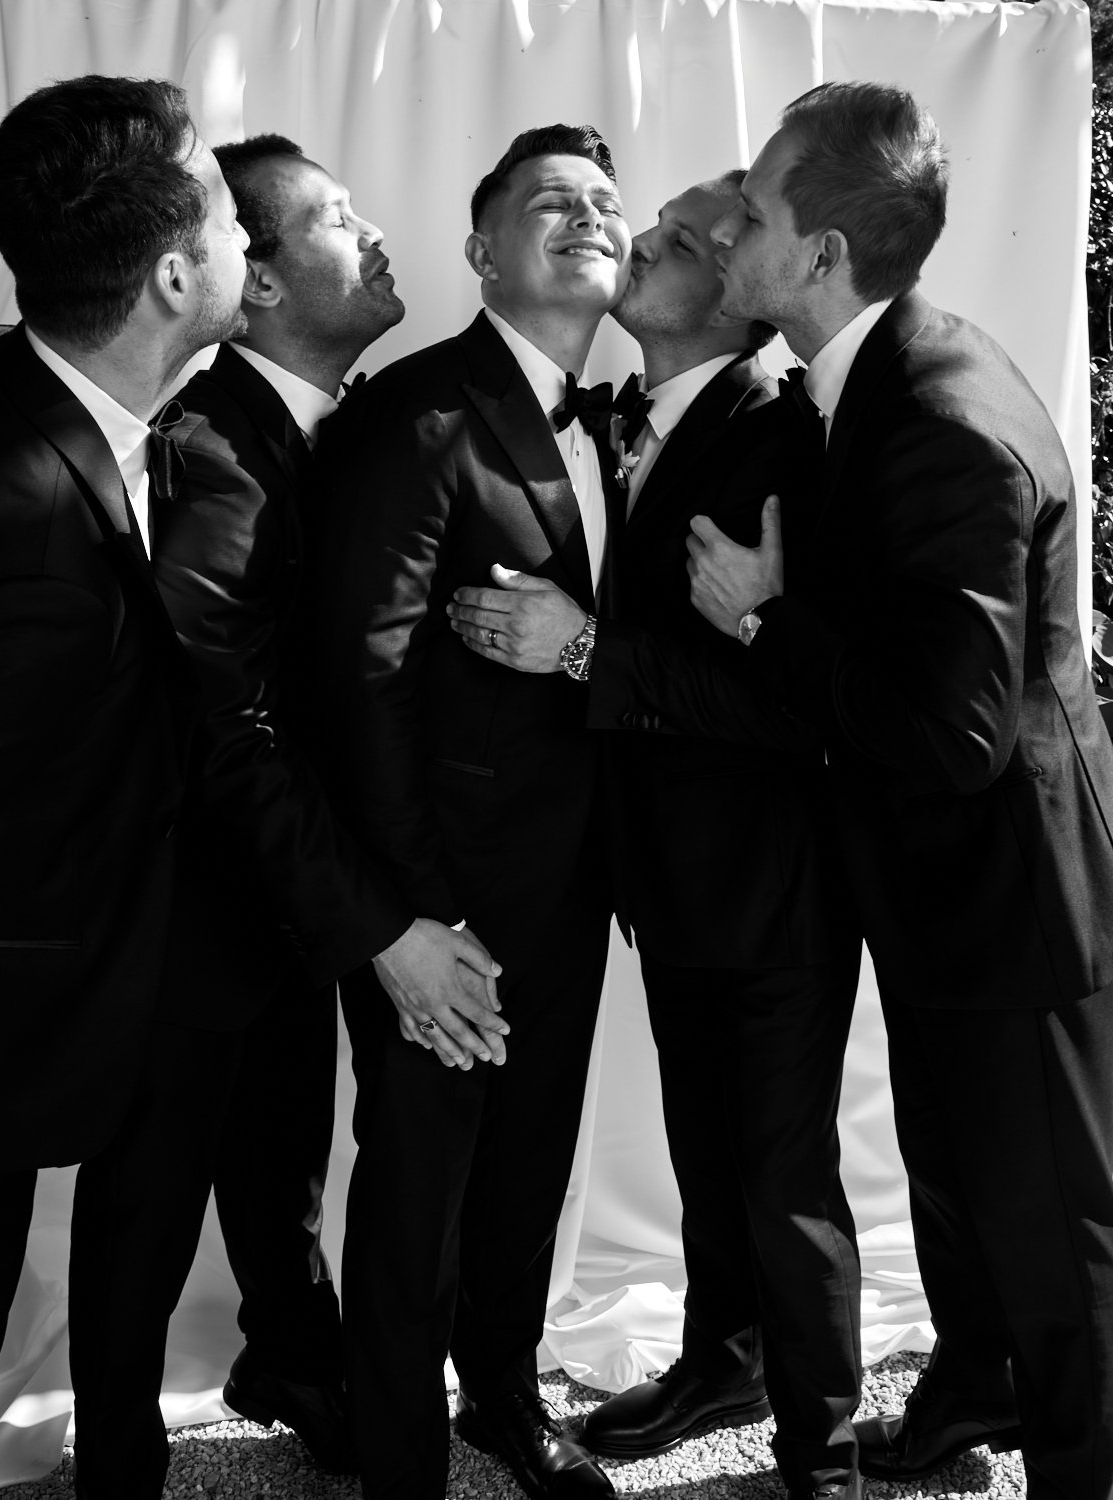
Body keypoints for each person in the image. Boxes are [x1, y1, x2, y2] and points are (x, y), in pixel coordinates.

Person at [667, 81, 1113, 1500]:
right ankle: (969, 1399)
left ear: (820, 258)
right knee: (968, 1190)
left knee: (1056, 1235)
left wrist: (759, 616)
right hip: (944, 893)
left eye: (756, 208)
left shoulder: (933, 415)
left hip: (1013, 902)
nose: (732, 223)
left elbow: (956, 728)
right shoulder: (870, 380)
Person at [449, 173, 864, 1500]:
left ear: (737, 307)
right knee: (706, 1146)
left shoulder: (779, 438)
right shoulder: (630, 413)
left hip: (771, 872)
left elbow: (789, 699)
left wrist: (584, 650)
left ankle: (827, 1454)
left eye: (684, 241)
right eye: (659, 225)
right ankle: (723, 1358)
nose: (645, 245)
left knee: (784, 1174)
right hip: (668, 872)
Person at [0, 76, 248, 1500]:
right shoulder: (15, 523)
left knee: (134, 1250)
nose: (253, 239)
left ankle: (125, 1459)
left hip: (153, 951)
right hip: (1, 987)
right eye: (233, 214)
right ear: (173, 272)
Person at [151, 133, 506, 1474]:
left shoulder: (363, 428)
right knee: (217, 1150)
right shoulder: (213, 455)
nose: (374, 234)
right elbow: (227, 732)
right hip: (213, 904)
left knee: (288, 1133)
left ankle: (300, 1353)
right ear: (255, 287)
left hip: (314, 889)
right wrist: (380, 927)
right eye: (337, 219)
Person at [308, 124, 631, 1499]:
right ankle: (397, 1454)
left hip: (575, 879)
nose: (587, 215)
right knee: (416, 1184)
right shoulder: (416, 409)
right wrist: (415, 907)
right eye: (549, 201)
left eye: (605, 202)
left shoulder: (621, 413)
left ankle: (504, 1393)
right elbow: (358, 674)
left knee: (532, 1163)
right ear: (482, 250)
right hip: (444, 893)